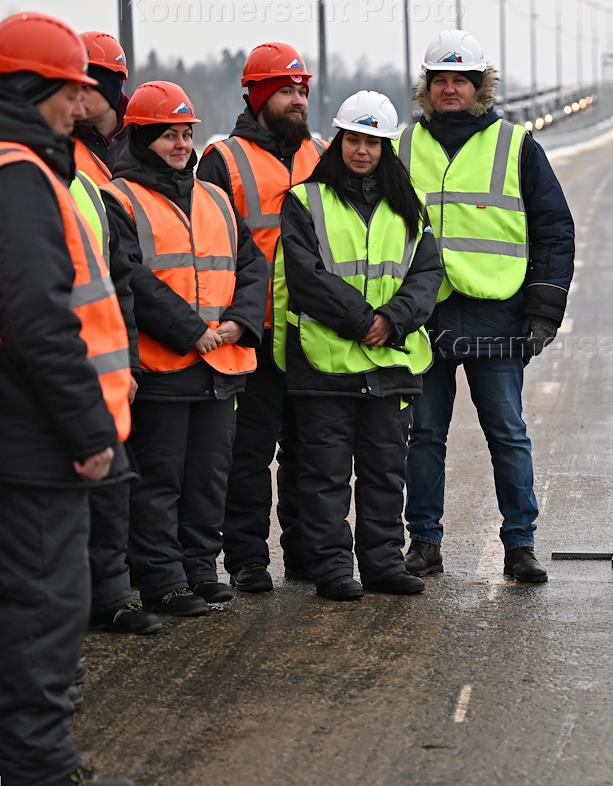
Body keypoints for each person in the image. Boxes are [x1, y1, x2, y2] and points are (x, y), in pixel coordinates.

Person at [0, 11, 137, 786]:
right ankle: (38, 766)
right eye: (69, 90)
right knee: (45, 605)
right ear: (28, 88)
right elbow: (38, 319)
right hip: (38, 439)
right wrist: (90, 433)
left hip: (24, 429)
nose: (82, 106)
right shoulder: (20, 174)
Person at [399, 30, 574, 583]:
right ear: (427, 87)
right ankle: (424, 542)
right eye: (440, 80)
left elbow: (554, 231)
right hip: (424, 317)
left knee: (507, 434)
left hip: (497, 316)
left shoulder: (517, 145)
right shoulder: (400, 146)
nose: (450, 89)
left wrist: (543, 312)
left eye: (462, 80)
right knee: (424, 436)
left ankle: (520, 545)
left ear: (481, 87)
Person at [103, 81, 267, 617]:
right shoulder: (118, 198)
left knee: (208, 478)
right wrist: (189, 330)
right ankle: (164, 581)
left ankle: (200, 570)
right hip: (165, 367)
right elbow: (130, 276)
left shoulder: (213, 197)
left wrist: (241, 321)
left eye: (185, 134)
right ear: (140, 138)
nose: (180, 145)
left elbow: (251, 265)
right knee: (160, 481)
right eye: (168, 135)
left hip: (220, 364)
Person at [276, 90, 442, 601]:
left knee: (384, 472)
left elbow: (427, 275)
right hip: (325, 363)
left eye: (372, 142)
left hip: (388, 362)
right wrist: (363, 321)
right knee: (325, 475)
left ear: (386, 147)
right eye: (353, 139)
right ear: (338, 142)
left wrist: (392, 320)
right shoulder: (305, 200)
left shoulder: (408, 208)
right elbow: (306, 276)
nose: (362, 150)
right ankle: (332, 569)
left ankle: (383, 564)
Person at [197, 42, 328, 593]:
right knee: (248, 453)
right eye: (285, 91)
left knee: (309, 450)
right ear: (256, 96)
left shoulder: (322, 152)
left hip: (312, 330)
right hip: (253, 331)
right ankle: (247, 558)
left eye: (302, 90)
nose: (298, 99)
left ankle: (304, 553)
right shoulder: (222, 159)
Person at [67, 63, 161, 637]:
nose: (77, 108)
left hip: (96, 371)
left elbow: (116, 283)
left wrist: (124, 362)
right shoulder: (26, 180)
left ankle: (111, 597)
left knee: (110, 490)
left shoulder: (82, 186)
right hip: (41, 371)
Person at [73, 31, 128, 181]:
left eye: (86, 87)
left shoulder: (145, 137)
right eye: (72, 88)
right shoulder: (58, 138)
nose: (76, 96)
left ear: (110, 90)